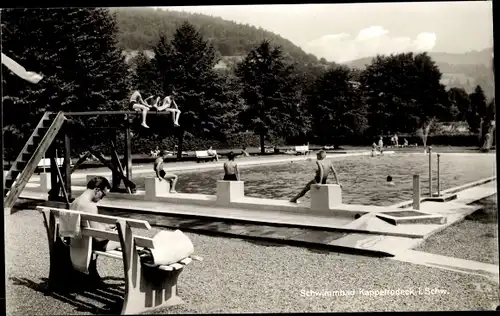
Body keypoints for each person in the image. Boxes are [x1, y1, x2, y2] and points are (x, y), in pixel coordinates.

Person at [70, 176, 119, 252]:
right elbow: (98, 237)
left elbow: (88, 226)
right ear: (97, 190)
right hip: (92, 245)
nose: (102, 198)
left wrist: (105, 227)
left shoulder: (74, 202)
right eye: (103, 194)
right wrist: (112, 233)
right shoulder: (90, 206)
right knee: (125, 239)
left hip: (77, 243)